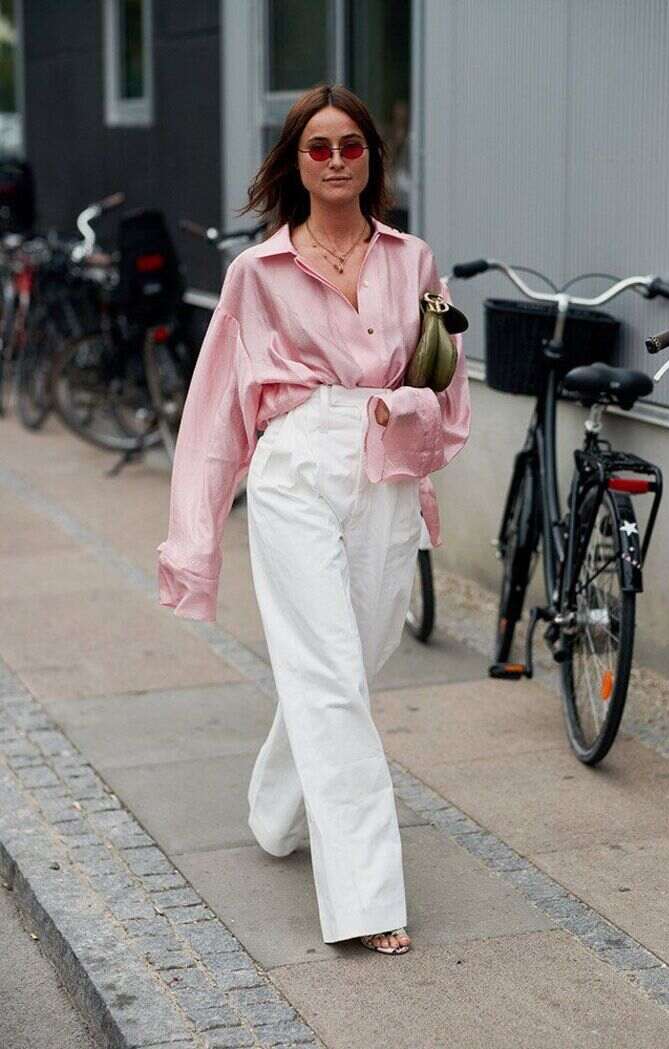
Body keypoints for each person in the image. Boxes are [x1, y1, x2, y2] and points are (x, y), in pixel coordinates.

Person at [157, 84, 471, 956]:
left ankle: (272, 806)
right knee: (330, 677)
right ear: (295, 162)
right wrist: (193, 538)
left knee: (356, 662)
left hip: (385, 465)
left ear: (372, 157)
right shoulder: (254, 274)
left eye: (350, 145)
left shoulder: (414, 261)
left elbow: (449, 387)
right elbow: (215, 409)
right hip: (296, 464)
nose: (335, 159)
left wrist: (403, 406)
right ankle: (368, 898)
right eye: (318, 146)